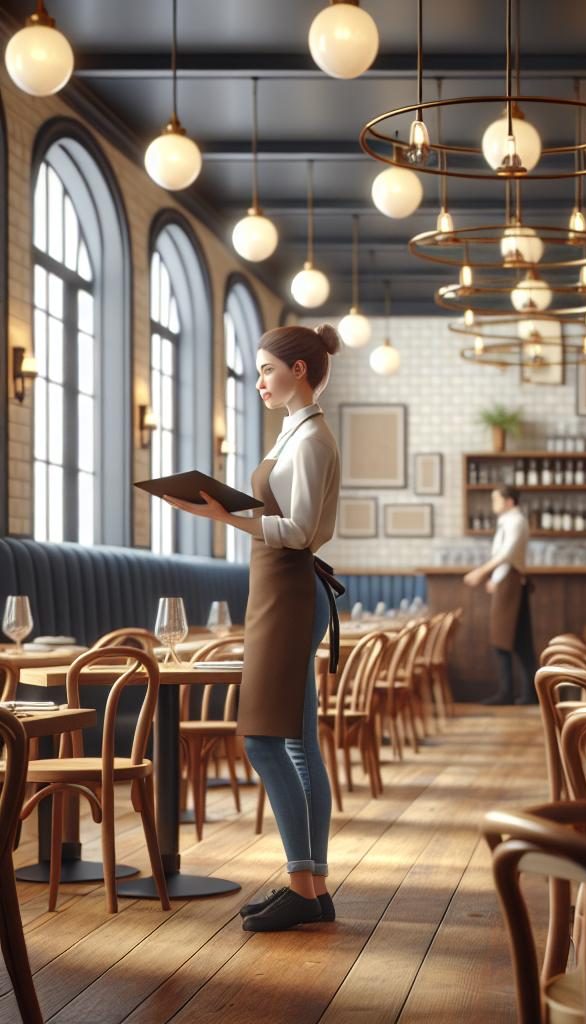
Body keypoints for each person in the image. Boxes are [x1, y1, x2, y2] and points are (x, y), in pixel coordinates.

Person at [163, 323, 344, 932]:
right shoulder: (293, 431)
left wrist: (223, 515)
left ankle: (302, 883)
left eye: (267, 369)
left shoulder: (313, 439)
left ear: (298, 370)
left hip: (291, 593)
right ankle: (311, 889)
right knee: (293, 742)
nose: (259, 380)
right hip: (278, 592)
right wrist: (223, 508)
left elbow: (300, 532)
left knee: (265, 739)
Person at [463, 485, 538, 705]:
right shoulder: (509, 521)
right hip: (508, 581)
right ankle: (528, 693)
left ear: (509, 502)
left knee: (503, 639)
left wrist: (483, 572)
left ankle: (510, 693)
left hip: (512, 583)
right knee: (517, 640)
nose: (492, 503)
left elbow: (507, 554)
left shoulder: (516, 521)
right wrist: (495, 579)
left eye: (496, 499)